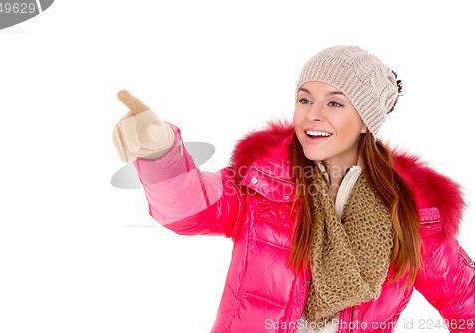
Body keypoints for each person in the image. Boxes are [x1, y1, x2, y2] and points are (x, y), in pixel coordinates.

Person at [111, 46, 475, 333]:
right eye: (304, 99)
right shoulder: (262, 180)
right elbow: (189, 209)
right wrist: (161, 154)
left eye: (334, 103)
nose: (312, 115)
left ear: (366, 119)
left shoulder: (413, 210)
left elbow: (466, 300)